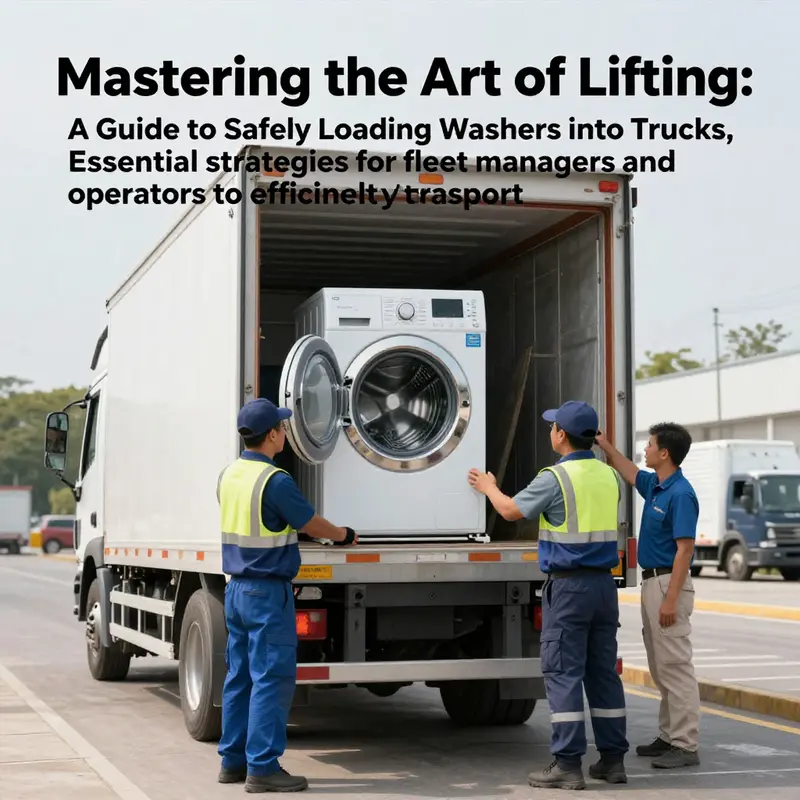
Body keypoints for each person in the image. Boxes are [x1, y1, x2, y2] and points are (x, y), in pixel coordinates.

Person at [468, 400, 628, 791]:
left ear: (560, 435)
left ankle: (568, 764)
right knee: (602, 674)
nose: (551, 431)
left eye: (553, 426)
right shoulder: (610, 477)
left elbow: (509, 511)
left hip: (570, 588)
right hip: (604, 588)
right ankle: (612, 761)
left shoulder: (555, 478)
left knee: (564, 674)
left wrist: (488, 487)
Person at [216, 398, 358, 793]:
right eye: (281, 427)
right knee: (271, 678)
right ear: (273, 435)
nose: (284, 432)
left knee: (239, 676)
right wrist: (344, 534)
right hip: (266, 592)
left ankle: (233, 761)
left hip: (236, 590)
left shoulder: (229, 475)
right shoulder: (275, 481)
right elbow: (309, 522)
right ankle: (262, 768)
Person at [595, 422, 701, 769]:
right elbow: (630, 471)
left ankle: (685, 745)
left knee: (675, 666)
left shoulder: (681, 494)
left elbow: (684, 550)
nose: (646, 449)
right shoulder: (657, 486)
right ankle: (670, 736)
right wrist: (606, 447)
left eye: (651, 444)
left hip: (668, 583)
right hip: (652, 582)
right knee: (661, 665)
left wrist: (670, 600)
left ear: (665, 453)